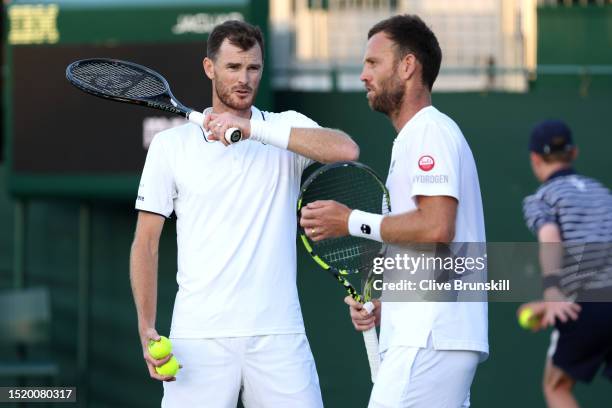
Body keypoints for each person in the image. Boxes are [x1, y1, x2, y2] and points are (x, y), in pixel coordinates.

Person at [129, 20, 359, 407]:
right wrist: (146, 326)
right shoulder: (170, 146)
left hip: (279, 336)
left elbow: (346, 149)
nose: (244, 78)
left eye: (253, 68)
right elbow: (146, 243)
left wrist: (253, 130)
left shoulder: (285, 128)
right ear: (210, 68)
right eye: (233, 67)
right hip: (197, 339)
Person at [300, 14, 488, 407]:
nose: (363, 76)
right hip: (430, 335)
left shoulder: (429, 131)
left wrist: (348, 220)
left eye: (373, 63)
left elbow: (437, 227)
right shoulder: (413, 139)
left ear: (407, 66)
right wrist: (388, 304)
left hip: (430, 338)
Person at [518, 119, 612, 408]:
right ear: (573, 153)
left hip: (585, 306)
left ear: (535, 159)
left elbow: (550, 236)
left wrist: (552, 291)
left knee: (556, 386)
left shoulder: (541, 198)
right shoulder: (604, 194)